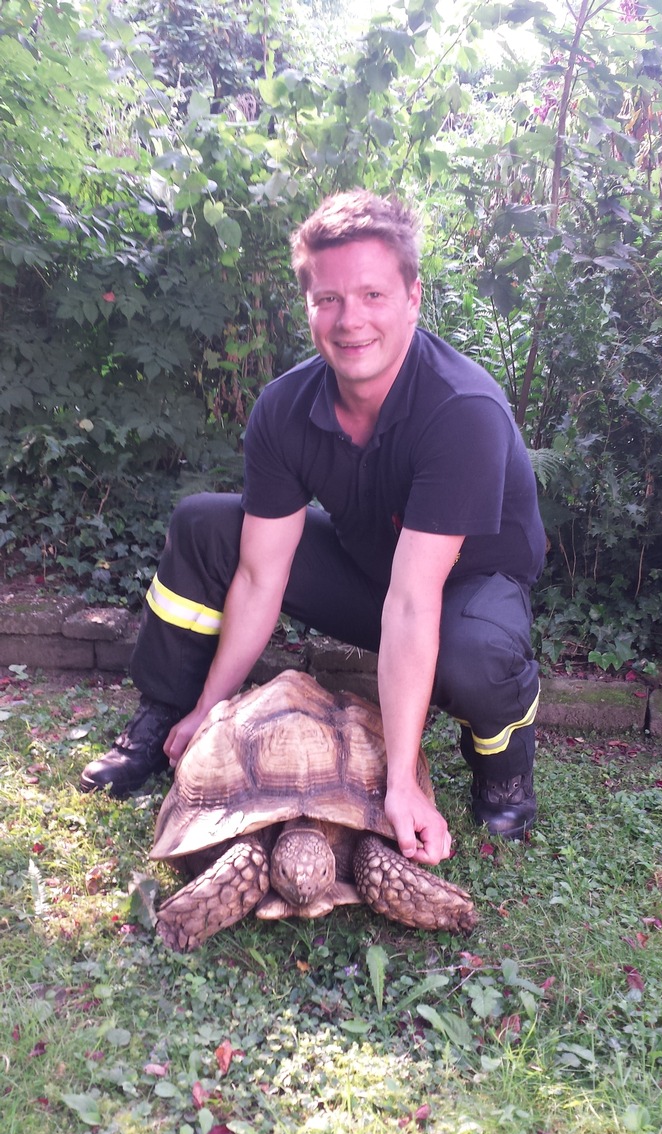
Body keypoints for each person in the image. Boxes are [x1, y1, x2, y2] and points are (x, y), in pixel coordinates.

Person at [80, 189, 546, 860]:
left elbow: (416, 603)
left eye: (372, 295)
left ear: (413, 297)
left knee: (477, 657)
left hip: (467, 592)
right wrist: (212, 708)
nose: (349, 320)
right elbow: (258, 573)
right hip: (371, 573)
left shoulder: (461, 409)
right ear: (308, 308)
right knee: (206, 526)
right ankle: (167, 716)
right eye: (327, 299)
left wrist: (400, 784)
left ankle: (504, 771)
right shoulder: (285, 408)